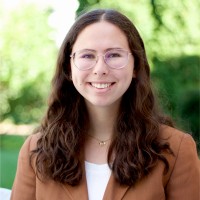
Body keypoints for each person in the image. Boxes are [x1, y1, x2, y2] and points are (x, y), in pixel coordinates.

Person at [11, 9, 200, 200]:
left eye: (114, 55)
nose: (100, 69)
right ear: (69, 67)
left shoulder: (176, 149)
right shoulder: (36, 151)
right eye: (87, 56)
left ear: (135, 66)